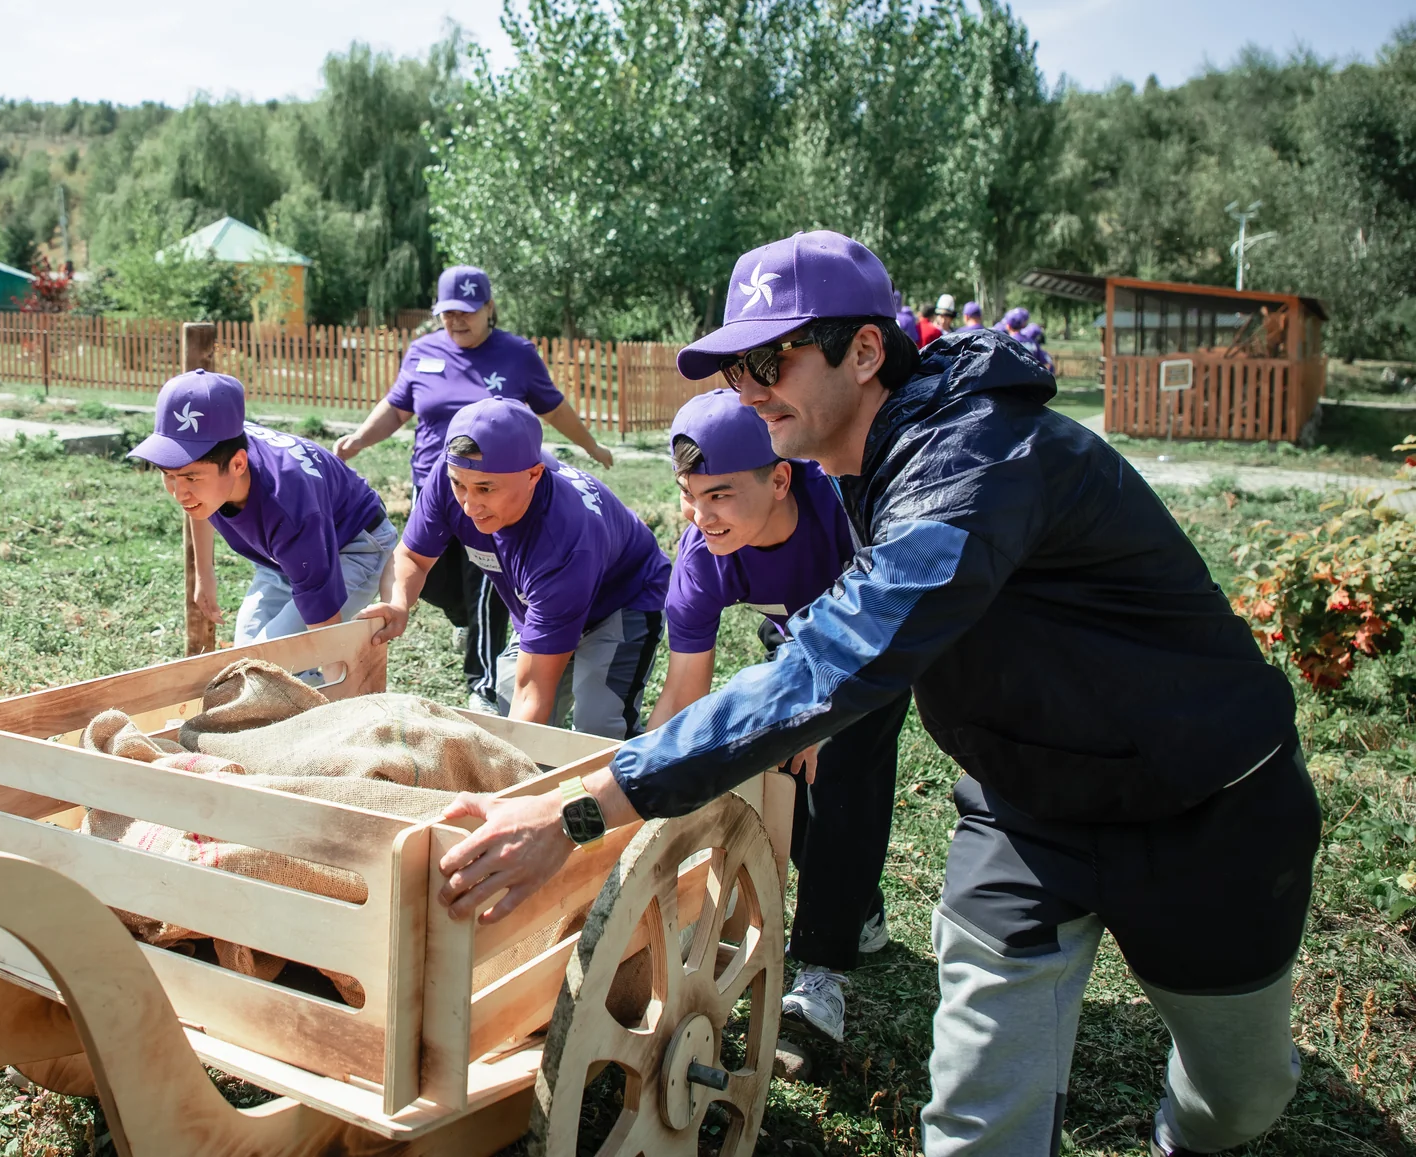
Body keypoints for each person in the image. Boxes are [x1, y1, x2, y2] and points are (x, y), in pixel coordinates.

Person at [429, 230, 1318, 1157]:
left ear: (863, 351)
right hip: (1026, 814)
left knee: (1238, 1101)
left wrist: (582, 810)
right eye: (735, 368)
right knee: (977, 1127)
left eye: (770, 359)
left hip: (1203, 803)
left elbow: (830, 662)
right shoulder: (869, 459)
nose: (747, 387)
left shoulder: (973, 460)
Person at [651, 388, 908, 1051]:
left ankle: (821, 972)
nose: (703, 515)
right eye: (690, 494)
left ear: (781, 478)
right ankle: (858, 905)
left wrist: (823, 723)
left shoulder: (845, 515)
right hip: (800, 637)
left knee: (842, 760)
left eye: (721, 495)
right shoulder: (702, 556)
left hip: (879, 636)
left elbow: (880, 631)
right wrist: (642, 778)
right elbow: (683, 690)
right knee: (786, 772)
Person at [335, 266, 614, 712]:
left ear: (489, 308)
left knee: (487, 581)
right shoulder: (423, 351)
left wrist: (592, 445)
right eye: (447, 313)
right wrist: (359, 439)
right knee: (433, 583)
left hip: (497, 498)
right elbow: (396, 407)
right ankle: (472, 621)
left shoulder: (517, 354)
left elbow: (554, 407)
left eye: (467, 312)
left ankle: (483, 685)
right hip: (438, 489)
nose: (456, 321)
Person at [361, 398, 668, 737]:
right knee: (509, 707)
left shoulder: (564, 537)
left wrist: (505, 784)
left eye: (485, 489)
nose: (469, 504)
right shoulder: (455, 475)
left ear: (534, 475)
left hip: (622, 600)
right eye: (458, 485)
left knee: (597, 727)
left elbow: (533, 693)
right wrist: (398, 601)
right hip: (544, 603)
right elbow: (412, 558)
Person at [131, 370, 398, 644]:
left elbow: (323, 635)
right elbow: (197, 503)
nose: (179, 493)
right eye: (167, 474)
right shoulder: (219, 440)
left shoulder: (289, 505)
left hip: (351, 545)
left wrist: (322, 663)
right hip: (284, 557)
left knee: (277, 663)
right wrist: (205, 574)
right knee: (248, 656)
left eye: (190, 477)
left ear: (237, 464)